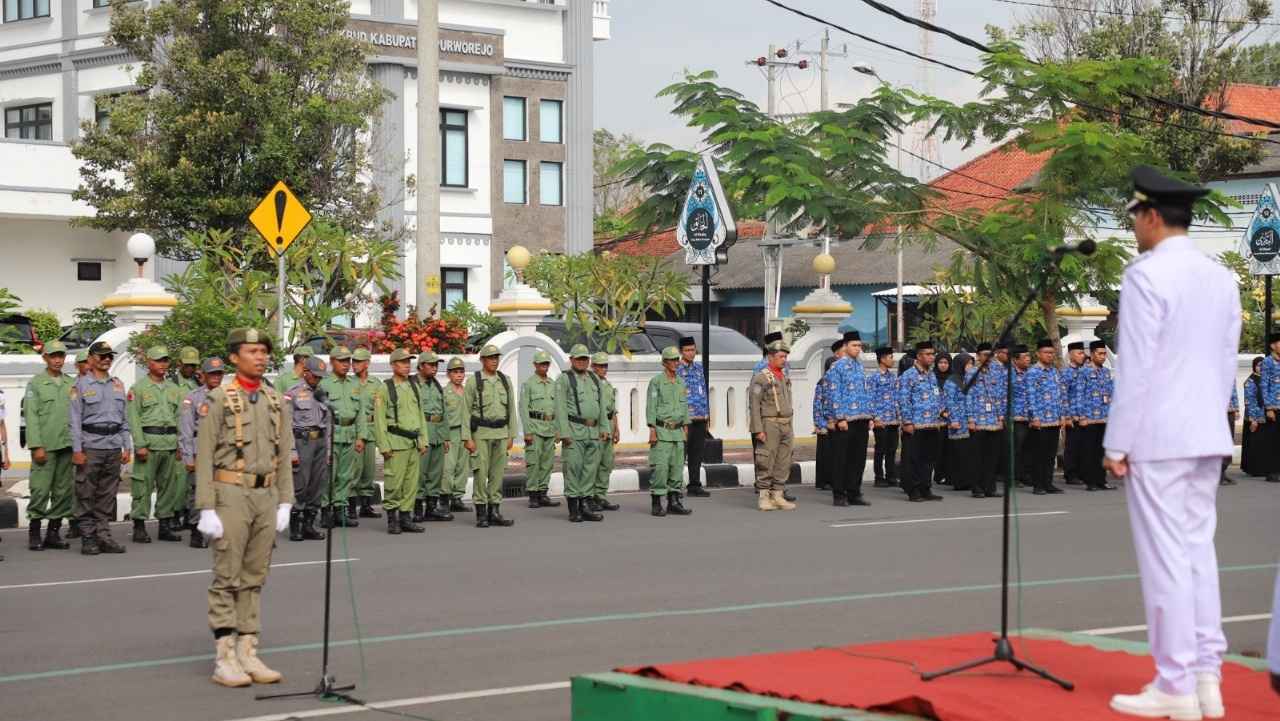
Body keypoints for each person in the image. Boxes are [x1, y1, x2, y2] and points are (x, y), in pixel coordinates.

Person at [1104, 166, 1242, 720]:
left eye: (1135, 216)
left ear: (1152, 216)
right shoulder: (1220, 277)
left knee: (1165, 562)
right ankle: (1207, 679)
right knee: (1196, 556)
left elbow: (1136, 367)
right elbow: (1222, 359)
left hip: (1159, 436)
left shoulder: (1146, 275)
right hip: (1207, 432)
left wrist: (1118, 442)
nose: (1134, 227)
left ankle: (1175, 684)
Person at [193, 327, 293, 688]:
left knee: (255, 577)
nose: (261, 357)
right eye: (252, 351)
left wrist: (286, 501)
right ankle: (224, 658)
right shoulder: (218, 399)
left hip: (265, 496)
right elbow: (203, 455)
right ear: (235, 357)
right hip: (230, 493)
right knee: (227, 578)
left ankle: (248, 651)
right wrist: (205, 507)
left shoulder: (275, 399)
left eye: (264, 351)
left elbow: (284, 455)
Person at [69, 341, 131, 555]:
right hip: (91, 446)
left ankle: (103, 536)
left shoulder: (117, 384)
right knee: (86, 492)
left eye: (109, 356)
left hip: (113, 445)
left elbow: (124, 419)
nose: (106, 360)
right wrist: (77, 450)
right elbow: (74, 421)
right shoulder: (81, 385)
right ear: (91, 358)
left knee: (107, 494)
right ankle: (88, 537)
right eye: (102, 356)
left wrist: (127, 446)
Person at [128, 345, 186, 543]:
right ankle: (139, 526)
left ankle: (165, 525)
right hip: (149, 443)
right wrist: (140, 444)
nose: (163, 364)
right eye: (159, 360)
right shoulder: (139, 388)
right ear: (149, 363)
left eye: (165, 360)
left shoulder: (174, 389)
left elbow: (180, 418)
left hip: (169, 444)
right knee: (142, 486)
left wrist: (180, 444)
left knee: (168, 487)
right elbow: (134, 418)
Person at [23, 340, 74, 551]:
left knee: (63, 492)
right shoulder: (36, 383)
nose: (57, 360)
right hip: (46, 445)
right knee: (40, 490)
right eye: (53, 356)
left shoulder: (71, 383)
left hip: (67, 444)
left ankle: (53, 532)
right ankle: (34, 533)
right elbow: (31, 417)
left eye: (60, 356)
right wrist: (36, 445)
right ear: (45, 358)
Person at [372, 348, 426, 535]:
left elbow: (420, 416)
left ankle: (405, 517)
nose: (406, 365)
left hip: (412, 442)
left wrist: (422, 439)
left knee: (411, 483)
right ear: (393, 365)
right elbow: (379, 420)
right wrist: (384, 446)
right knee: (394, 483)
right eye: (402, 362)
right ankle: (392, 519)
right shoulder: (385, 388)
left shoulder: (414, 386)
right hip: (395, 443)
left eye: (408, 362)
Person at [463, 344, 517, 528]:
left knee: (497, 474)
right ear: (483, 360)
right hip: (481, 433)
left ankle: (494, 511)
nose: (494, 360)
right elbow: (465, 411)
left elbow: (511, 408)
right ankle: (481, 512)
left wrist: (512, 434)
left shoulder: (505, 380)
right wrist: (467, 438)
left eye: (496, 357)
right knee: (480, 473)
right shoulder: (474, 381)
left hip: (501, 433)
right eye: (490, 357)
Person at [556, 345, 608, 522]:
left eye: (585, 359)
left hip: (592, 431)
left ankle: (585, 505)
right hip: (574, 430)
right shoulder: (564, 379)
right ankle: (573, 508)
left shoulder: (594, 378)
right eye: (578, 359)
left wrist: (604, 428)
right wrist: (563, 432)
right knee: (573, 469)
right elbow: (560, 408)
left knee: (589, 470)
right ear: (571, 360)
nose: (582, 362)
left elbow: (601, 405)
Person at [179, 357, 226, 548]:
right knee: (199, 492)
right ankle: (196, 530)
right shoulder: (193, 398)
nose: (216, 377)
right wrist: (188, 456)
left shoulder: (229, 396)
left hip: (223, 450)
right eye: (212, 373)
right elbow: (186, 430)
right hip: (202, 449)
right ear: (204, 375)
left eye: (219, 373)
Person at [822, 331, 873, 507]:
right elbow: (833, 393)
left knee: (858, 459)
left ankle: (854, 492)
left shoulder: (859, 366)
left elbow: (865, 393)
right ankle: (839, 494)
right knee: (841, 458)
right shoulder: (837, 367)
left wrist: (870, 415)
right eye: (854, 345)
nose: (858, 349)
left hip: (861, 419)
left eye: (860, 346)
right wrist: (840, 418)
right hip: (844, 421)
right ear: (845, 346)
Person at [285, 357, 331, 541]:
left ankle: (309, 525)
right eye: (315, 376)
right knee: (300, 485)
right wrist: (291, 451)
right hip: (301, 442)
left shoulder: (322, 394)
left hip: (319, 442)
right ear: (306, 373)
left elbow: (327, 423)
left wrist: (327, 449)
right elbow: (285, 425)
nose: (317, 379)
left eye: (320, 377)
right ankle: (296, 525)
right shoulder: (293, 393)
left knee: (317, 484)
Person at [317, 346, 361, 529]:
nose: (346, 365)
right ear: (331, 362)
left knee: (345, 475)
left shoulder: (354, 384)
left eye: (348, 361)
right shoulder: (324, 384)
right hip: (331, 434)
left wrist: (361, 437)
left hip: (350, 433)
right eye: (341, 361)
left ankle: (340, 510)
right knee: (329, 475)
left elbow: (360, 413)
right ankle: (326, 510)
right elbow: (318, 413)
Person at [751, 340, 797, 511]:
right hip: (769, 423)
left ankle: (777, 495)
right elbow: (754, 405)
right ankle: (764, 496)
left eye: (785, 356)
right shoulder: (761, 377)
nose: (784, 359)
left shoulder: (784, 376)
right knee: (766, 460)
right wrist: (757, 429)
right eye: (780, 356)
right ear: (770, 357)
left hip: (786, 423)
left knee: (783, 461)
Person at [647, 346, 693, 517]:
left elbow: (684, 407)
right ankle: (657, 502)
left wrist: (686, 427)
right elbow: (651, 407)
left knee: (677, 467)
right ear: (664, 362)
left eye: (676, 360)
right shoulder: (656, 382)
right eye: (672, 360)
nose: (675, 363)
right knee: (660, 468)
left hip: (678, 431)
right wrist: (652, 429)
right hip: (662, 430)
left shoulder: (681, 382)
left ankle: (674, 501)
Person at [897, 341, 945, 503]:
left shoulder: (931, 375)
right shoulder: (908, 376)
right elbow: (903, 400)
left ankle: (926, 488)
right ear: (919, 356)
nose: (931, 357)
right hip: (915, 424)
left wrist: (942, 413)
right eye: (928, 354)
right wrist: (907, 422)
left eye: (933, 354)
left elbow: (937, 396)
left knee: (928, 458)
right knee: (913, 458)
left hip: (931, 423)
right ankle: (913, 490)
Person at [413, 352, 453, 522]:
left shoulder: (436, 384)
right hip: (422, 432)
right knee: (419, 474)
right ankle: (416, 509)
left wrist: (446, 437)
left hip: (437, 432)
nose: (434, 368)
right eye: (431, 365)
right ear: (421, 366)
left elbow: (443, 411)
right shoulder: (412, 385)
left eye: (436, 365)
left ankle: (431, 508)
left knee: (435, 474)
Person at [1026, 339, 1068, 496]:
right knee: (1039, 454)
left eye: (1052, 353)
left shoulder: (1054, 372)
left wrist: (1062, 415)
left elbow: (1060, 395)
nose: (1050, 355)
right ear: (1038, 354)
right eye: (1046, 352)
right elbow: (1030, 397)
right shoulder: (1033, 373)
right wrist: (1034, 417)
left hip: (1054, 420)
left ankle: (1048, 483)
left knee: (1051, 454)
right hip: (1040, 420)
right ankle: (1038, 485)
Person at [522, 350, 561, 510]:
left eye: (546, 364)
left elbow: (558, 408)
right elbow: (524, 409)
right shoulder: (529, 384)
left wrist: (558, 429)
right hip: (535, 427)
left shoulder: (553, 384)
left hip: (550, 428)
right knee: (533, 462)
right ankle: (533, 495)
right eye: (541, 364)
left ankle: (543, 493)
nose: (544, 366)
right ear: (535, 365)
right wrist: (527, 431)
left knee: (547, 463)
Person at [1075, 340, 1115, 492]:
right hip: (1089, 418)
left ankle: (1101, 480)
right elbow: (1079, 395)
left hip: (1104, 417)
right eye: (1100, 354)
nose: (1103, 357)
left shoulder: (1105, 372)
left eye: (1104, 354)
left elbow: (1110, 394)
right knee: (1089, 451)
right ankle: (1090, 481)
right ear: (1091, 355)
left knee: (1101, 451)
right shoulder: (1083, 372)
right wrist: (1082, 416)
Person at [675, 336, 711, 497]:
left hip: (700, 418)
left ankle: (694, 485)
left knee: (696, 454)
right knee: (680, 455)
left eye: (693, 350)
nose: (691, 353)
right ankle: (675, 487)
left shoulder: (698, 368)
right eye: (687, 350)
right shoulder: (677, 370)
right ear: (681, 352)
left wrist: (706, 415)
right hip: (685, 420)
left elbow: (703, 391)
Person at [967, 343, 1004, 499]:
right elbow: (968, 396)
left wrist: (1001, 417)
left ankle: (990, 487)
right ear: (978, 356)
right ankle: (977, 487)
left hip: (994, 420)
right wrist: (970, 419)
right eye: (984, 354)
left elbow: (1001, 395)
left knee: (992, 456)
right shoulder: (971, 373)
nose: (988, 357)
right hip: (978, 419)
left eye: (991, 354)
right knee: (977, 456)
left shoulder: (995, 372)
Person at [351, 347, 383, 520]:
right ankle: (350, 507)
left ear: (367, 363)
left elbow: (380, 409)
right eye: (353, 361)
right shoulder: (349, 383)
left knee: (368, 470)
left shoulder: (376, 384)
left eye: (357, 362)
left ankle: (365, 505)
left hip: (371, 428)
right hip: (356, 430)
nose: (353, 365)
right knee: (355, 468)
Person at [943, 353, 977, 495]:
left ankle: (969, 480)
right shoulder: (952, 381)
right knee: (959, 452)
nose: (971, 367)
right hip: (957, 420)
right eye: (968, 364)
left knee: (969, 453)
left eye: (972, 364)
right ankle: (959, 481)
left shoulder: (969, 379)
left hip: (969, 420)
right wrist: (953, 420)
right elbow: (949, 402)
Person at [815, 339, 845, 491]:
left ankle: (833, 480)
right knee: (824, 455)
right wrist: (820, 424)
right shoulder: (822, 383)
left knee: (834, 455)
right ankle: (822, 481)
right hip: (825, 423)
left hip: (835, 422)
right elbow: (817, 405)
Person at [442, 358, 471, 511]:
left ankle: (457, 498)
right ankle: (445, 499)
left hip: (465, 433)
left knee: (463, 467)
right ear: (448, 374)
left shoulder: (467, 392)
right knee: (448, 467)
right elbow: (442, 416)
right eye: (455, 372)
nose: (459, 375)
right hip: (450, 433)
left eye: (461, 372)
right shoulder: (445, 393)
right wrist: (444, 437)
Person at [593, 353, 621, 512]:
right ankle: (590, 496)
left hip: (609, 425)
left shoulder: (608, 385)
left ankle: (601, 495)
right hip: (598, 426)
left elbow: (613, 409)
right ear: (593, 367)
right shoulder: (591, 384)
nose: (604, 369)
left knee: (606, 462)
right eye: (600, 366)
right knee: (594, 462)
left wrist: (616, 428)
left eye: (605, 366)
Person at [870, 346, 900, 488]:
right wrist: (875, 418)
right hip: (880, 419)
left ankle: (891, 476)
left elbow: (896, 398)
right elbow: (871, 399)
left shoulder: (893, 377)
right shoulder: (873, 378)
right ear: (882, 359)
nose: (892, 360)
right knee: (880, 449)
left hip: (893, 420)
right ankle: (879, 477)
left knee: (892, 449)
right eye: (890, 357)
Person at [1062, 341, 1087, 485]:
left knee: (1084, 446)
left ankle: (1082, 472)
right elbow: (1063, 395)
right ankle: (1070, 474)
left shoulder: (1085, 372)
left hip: (1085, 415)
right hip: (1072, 415)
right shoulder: (1066, 373)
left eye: (1083, 353)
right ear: (1071, 355)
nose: (1082, 356)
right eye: (1079, 353)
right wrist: (1066, 416)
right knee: (1072, 446)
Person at [1260, 333, 1280, 483]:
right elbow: (1264, 385)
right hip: (1274, 407)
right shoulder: (1267, 362)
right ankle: (1272, 471)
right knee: (1273, 440)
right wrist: (1268, 408)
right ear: (1273, 345)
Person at [1241, 357, 1265, 478]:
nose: (1261, 368)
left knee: (1263, 444)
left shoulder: (1264, 379)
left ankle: (1263, 467)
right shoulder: (1251, 381)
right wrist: (1253, 419)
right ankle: (1254, 469)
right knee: (1254, 444)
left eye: (1263, 365)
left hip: (1264, 417)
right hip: (1254, 417)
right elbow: (1250, 401)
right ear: (1254, 366)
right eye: (1258, 365)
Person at [932, 353, 952, 486]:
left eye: (946, 363)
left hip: (952, 419)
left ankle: (949, 474)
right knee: (938, 448)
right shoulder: (932, 377)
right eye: (941, 362)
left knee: (949, 449)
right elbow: (931, 397)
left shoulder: (953, 378)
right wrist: (941, 411)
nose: (943, 365)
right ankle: (938, 475)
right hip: (936, 419)